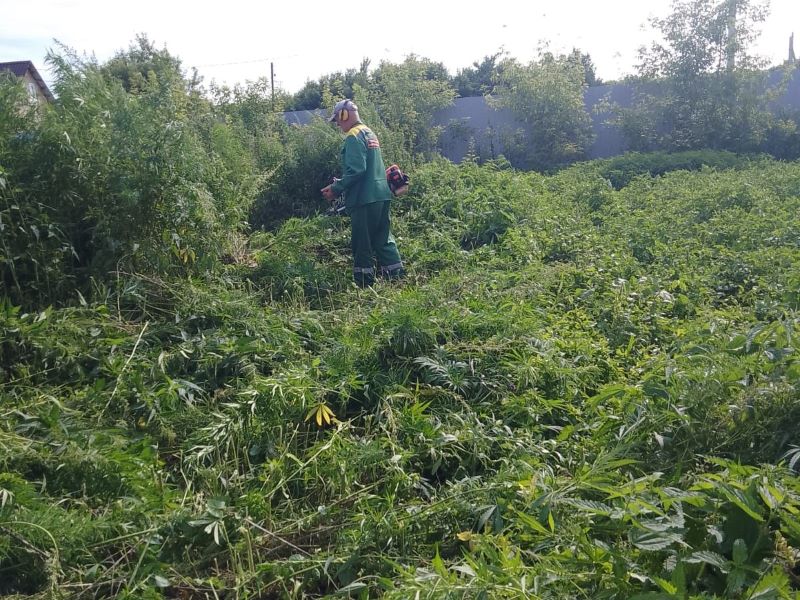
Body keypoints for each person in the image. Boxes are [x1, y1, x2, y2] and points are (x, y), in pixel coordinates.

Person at [321, 99, 404, 287]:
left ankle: (364, 286)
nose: (338, 125)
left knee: (362, 243)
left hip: (364, 199)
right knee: (383, 239)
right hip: (382, 195)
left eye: (338, 120)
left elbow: (356, 170)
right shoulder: (370, 132)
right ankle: (397, 278)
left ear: (344, 115)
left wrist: (335, 189)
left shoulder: (353, 135)